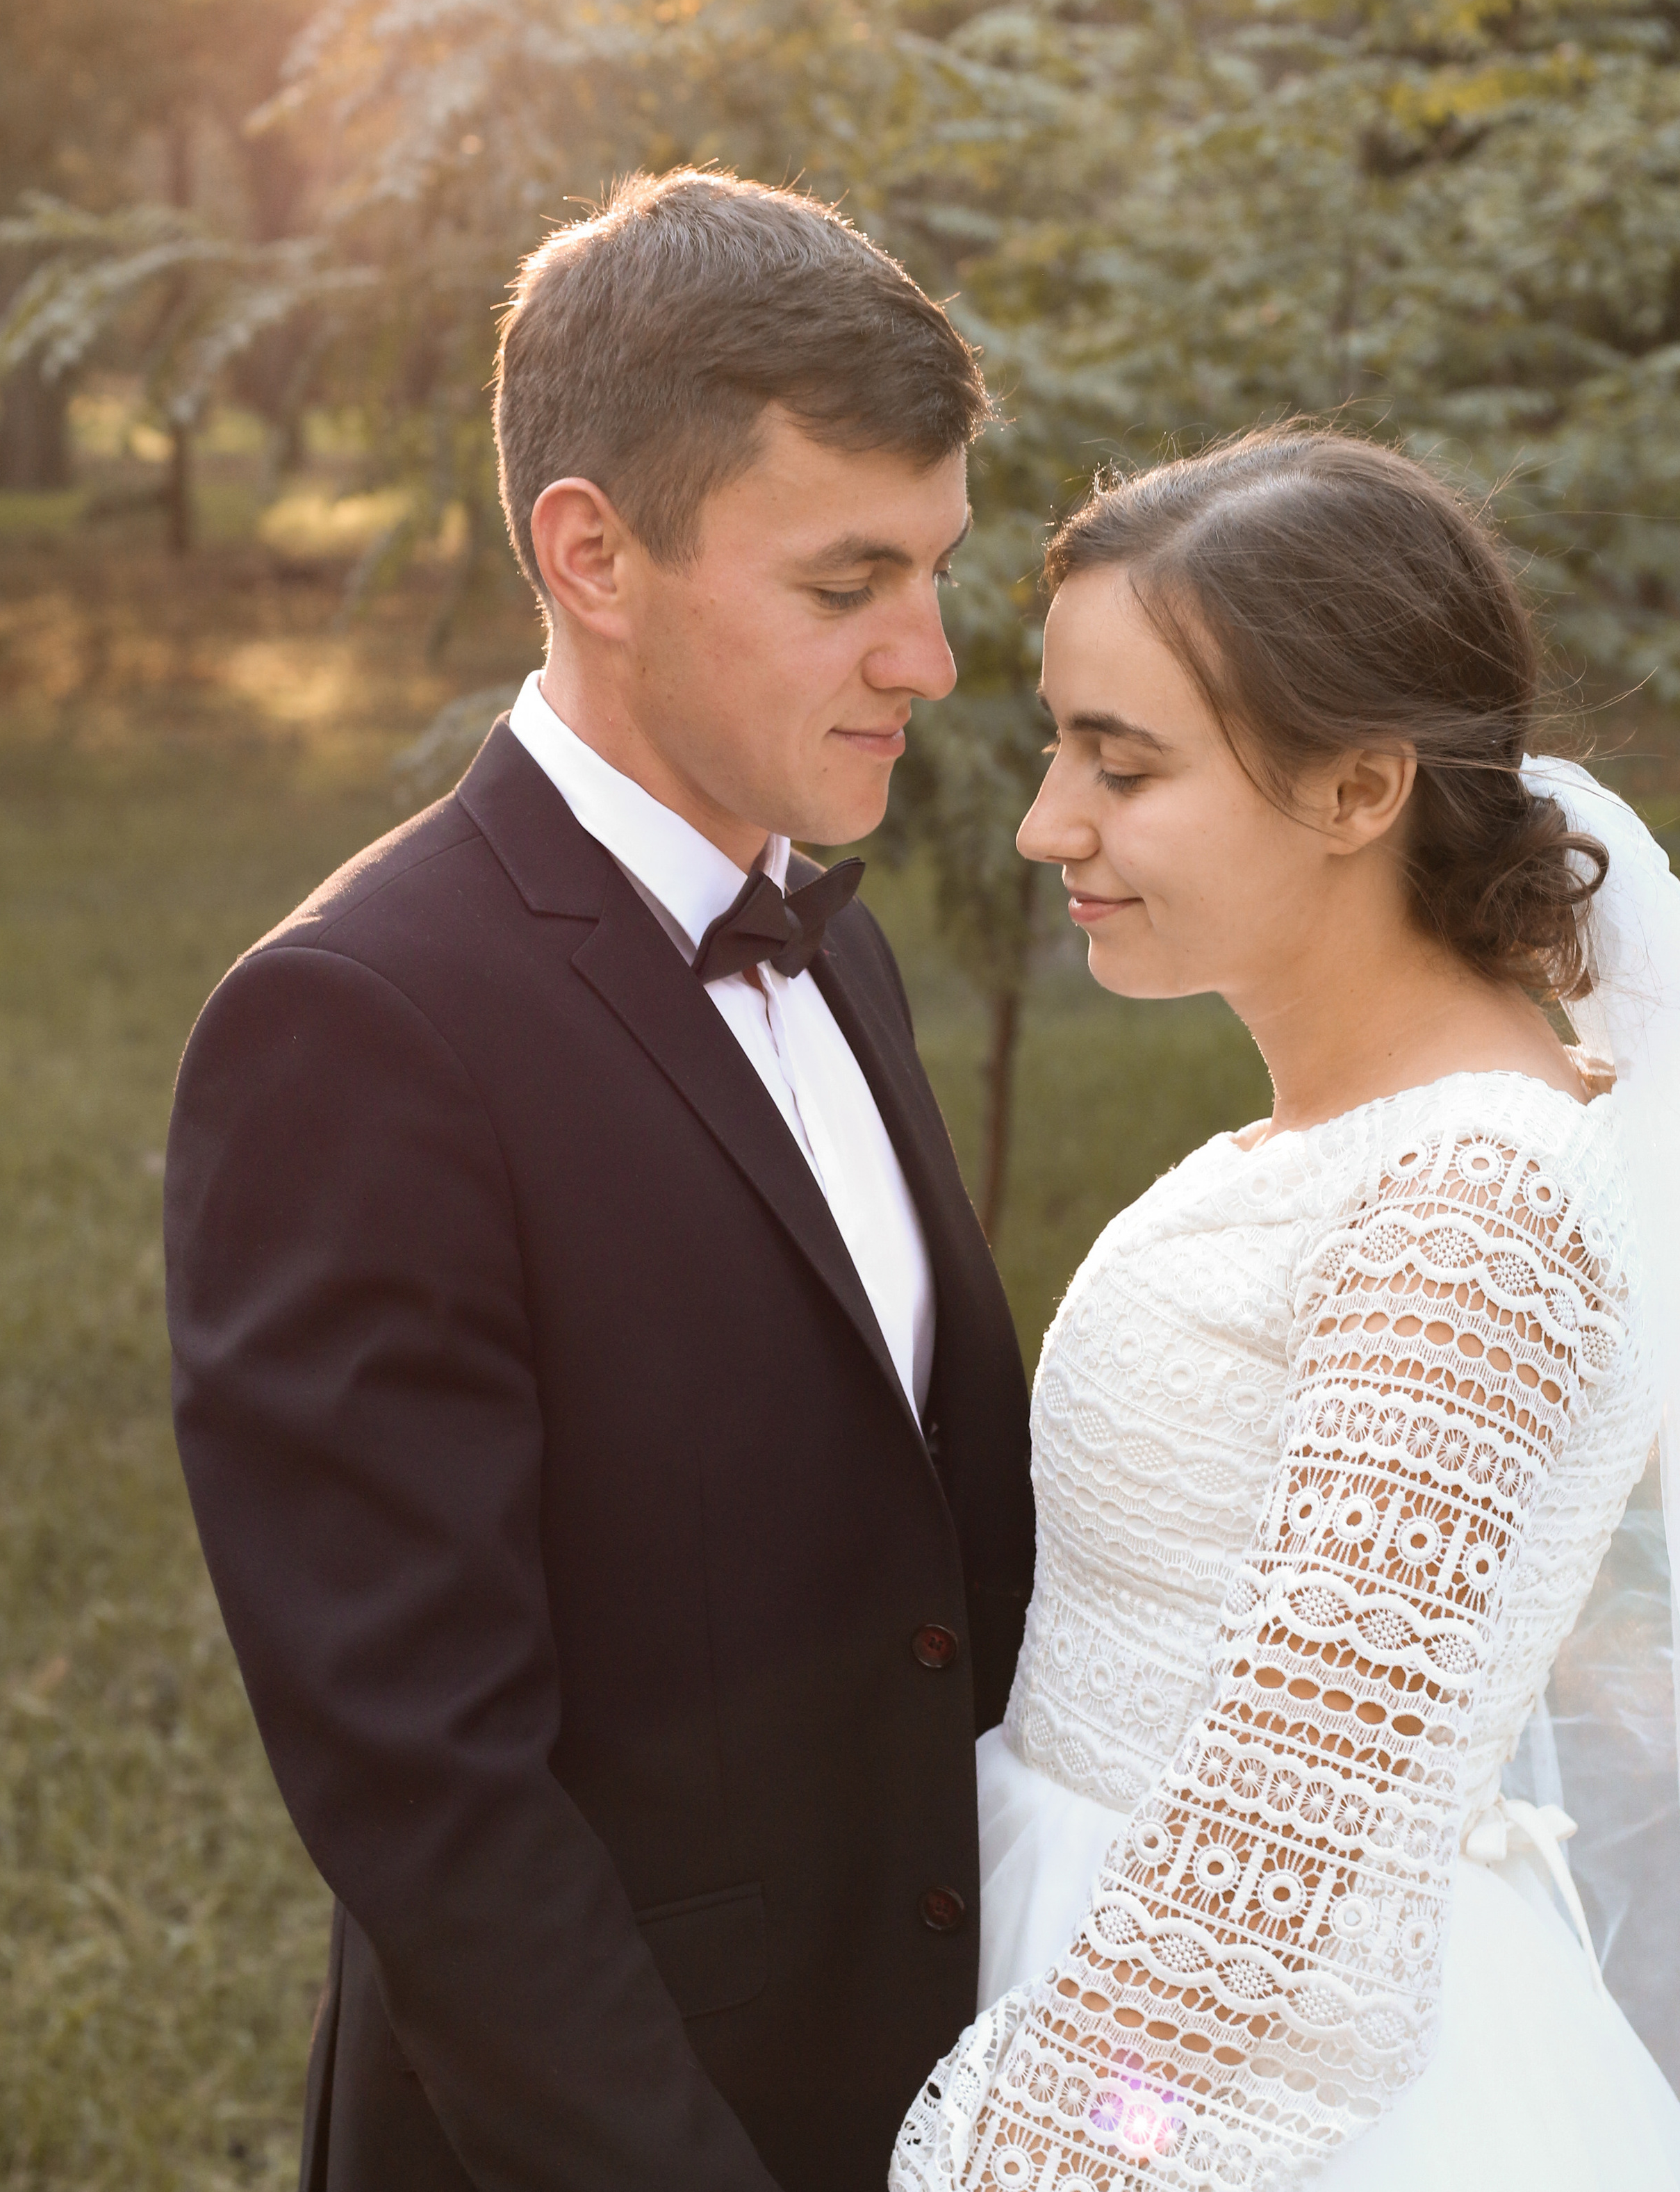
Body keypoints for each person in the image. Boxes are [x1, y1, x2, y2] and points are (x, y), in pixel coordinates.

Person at [165, 170, 1035, 2192]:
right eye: (845, 586)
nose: (928, 656)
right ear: (595, 555)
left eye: (938, 570)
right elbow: (431, 1795)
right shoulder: (358, 1030)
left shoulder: (841, 939)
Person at [892, 424, 1680, 2190]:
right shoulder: (1335, 1143)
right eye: (1057, 748)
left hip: (1226, 2085)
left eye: (1123, 766)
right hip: (1098, 1951)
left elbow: (1292, 1831)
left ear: (1357, 791)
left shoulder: (1469, 1215)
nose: (1046, 824)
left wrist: (1053, 2160)